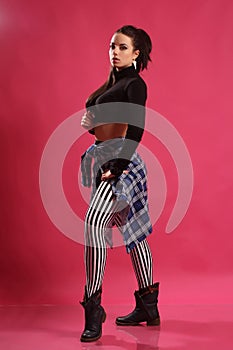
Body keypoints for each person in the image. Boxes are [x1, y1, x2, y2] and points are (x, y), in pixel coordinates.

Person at [80, 25, 160, 343]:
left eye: (123, 47)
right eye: (112, 45)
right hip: (106, 157)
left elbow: (136, 130)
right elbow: (108, 128)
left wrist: (118, 167)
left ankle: (93, 310)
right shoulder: (113, 81)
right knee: (134, 233)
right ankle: (148, 307)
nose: (115, 51)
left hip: (120, 163)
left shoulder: (135, 84)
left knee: (92, 223)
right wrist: (93, 125)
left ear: (136, 53)